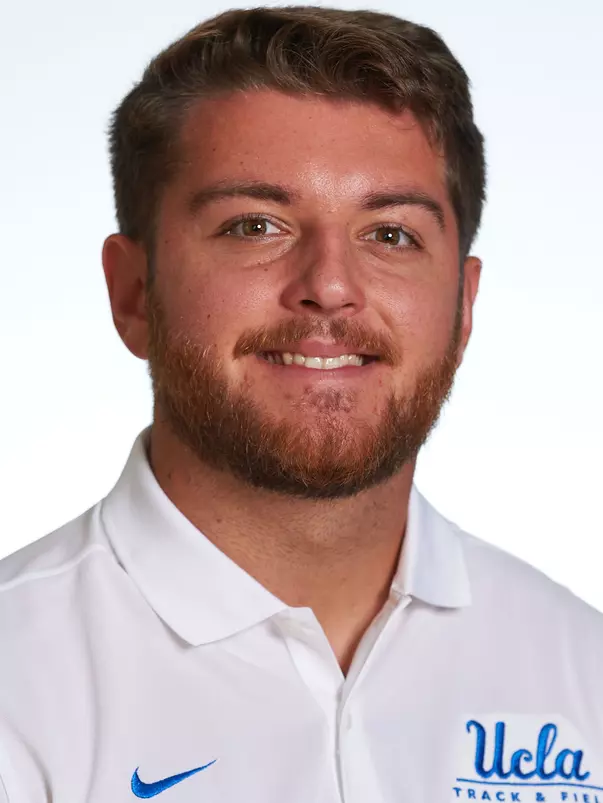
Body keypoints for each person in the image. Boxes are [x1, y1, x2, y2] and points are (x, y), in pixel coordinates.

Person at [1, 6, 602, 802]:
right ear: (134, 293)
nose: (328, 285)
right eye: (255, 225)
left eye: (390, 234)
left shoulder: (580, 667)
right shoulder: (19, 685)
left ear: (462, 307)